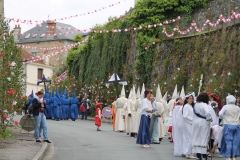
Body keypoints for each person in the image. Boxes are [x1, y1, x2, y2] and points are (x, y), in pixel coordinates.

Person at [219, 95, 240, 160]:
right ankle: (233, 156)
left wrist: (222, 117)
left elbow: (220, 114)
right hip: (236, 125)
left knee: (228, 141)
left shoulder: (226, 107)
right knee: (235, 141)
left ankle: (228, 156)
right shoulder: (238, 108)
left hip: (228, 125)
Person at [192, 92, 212, 160]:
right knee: (203, 137)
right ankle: (204, 155)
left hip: (196, 122)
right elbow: (208, 113)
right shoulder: (204, 105)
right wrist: (209, 118)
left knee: (197, 137)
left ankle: (198, 155)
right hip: (203, 122)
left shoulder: (195, 105)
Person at [182, 92, 196, 159]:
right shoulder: (186, 106)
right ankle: (188, 152)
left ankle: (188, 152)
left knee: (190, 138)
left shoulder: (190, 106)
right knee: (190, 138)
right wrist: (192, 120)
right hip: (188, 123)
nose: (191, 100)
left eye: (192, 98)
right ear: (187, 99)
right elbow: (185, 116)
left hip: (191, 124)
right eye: (190, 98)